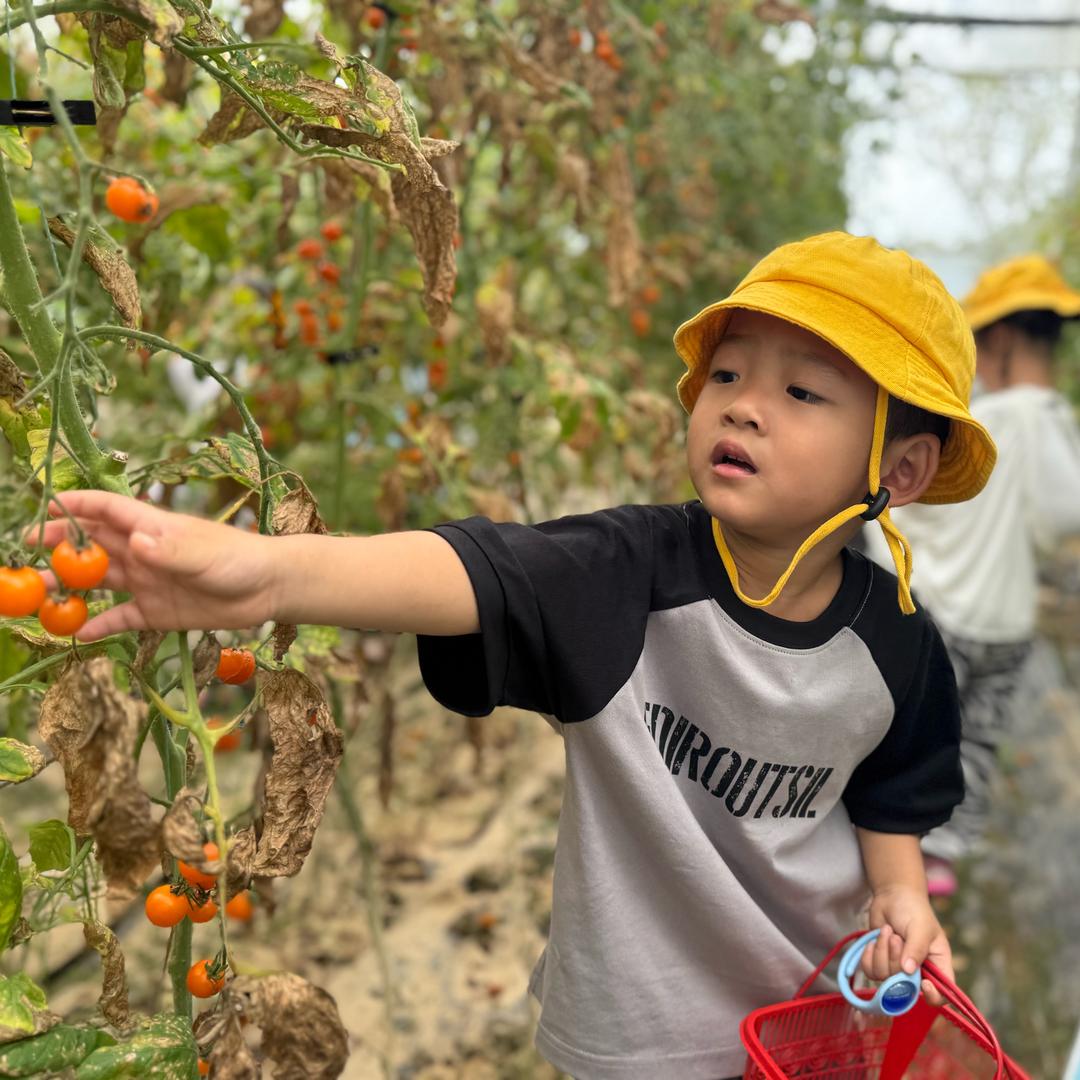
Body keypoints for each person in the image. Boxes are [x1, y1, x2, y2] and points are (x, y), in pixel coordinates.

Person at [33, 232, 995, 1080]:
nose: (742, 408)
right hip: (637, 1027)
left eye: (799, 391)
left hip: (817, 1008)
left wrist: (900, 894)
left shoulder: (896, 642)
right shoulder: (629, 576)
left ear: (898, 472)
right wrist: (269, 576)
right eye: (730, 375)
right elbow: (481, 570)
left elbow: (891, 786)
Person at [863, 253, 1080, 898]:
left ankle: (886, 847)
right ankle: (941, 859)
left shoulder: (988, 419)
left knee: (910, 733)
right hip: (1006, 620)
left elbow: (913, 506)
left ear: (1003, 339)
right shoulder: (1039, 417)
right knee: (975, 740)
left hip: (943, 612)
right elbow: (1061, 513)